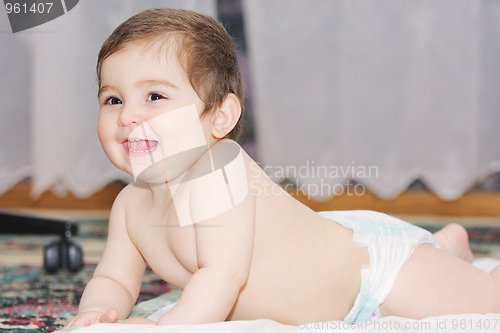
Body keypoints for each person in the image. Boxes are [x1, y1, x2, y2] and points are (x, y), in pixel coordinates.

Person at [65, 8, 498, 328]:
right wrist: (94, 314)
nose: (128, 117)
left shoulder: (219, 168)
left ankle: (441, 258)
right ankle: (448, 247)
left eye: (154, 97)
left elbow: (222, 276)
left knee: (487, 301)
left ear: (219, 118)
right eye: (113, 100)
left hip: (374, 274)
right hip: (334, 261)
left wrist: (166, 327)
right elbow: (114, 279)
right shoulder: (129, 206)